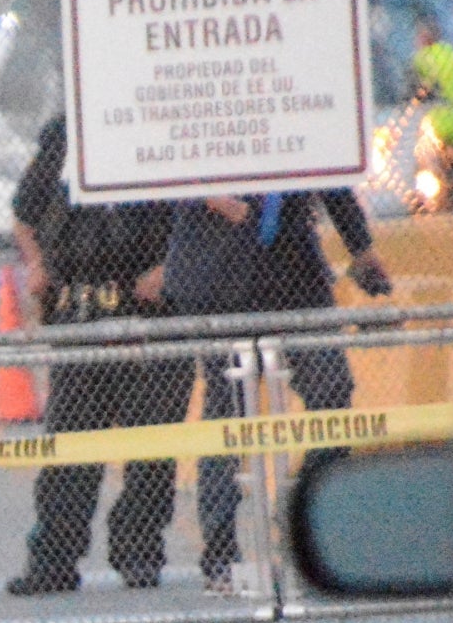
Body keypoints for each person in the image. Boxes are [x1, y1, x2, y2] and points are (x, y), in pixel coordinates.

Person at [164, 189, 392, 591]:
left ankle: (306, 512)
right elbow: (159, 174)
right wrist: (210, 197)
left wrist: (361, 249)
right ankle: (221, 555)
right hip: (221, 282)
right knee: (228, 414)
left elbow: (332, 181)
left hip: (296, 277)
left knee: (332, 392)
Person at [4, 113, 182, 595]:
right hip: (80, 315)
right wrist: (37, 263)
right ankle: (54, 560)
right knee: (70, 447)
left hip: (150, 318)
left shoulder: (162, 121)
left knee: (150, 448)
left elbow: (196, 216)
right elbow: (23, 213)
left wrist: (170, 267)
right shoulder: (64, 134)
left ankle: (139, 553)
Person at [410, 17, 453, 151]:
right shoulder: (451, 51)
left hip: (439, 125)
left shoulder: (422, 57)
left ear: (422, 38)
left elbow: (419, 91)